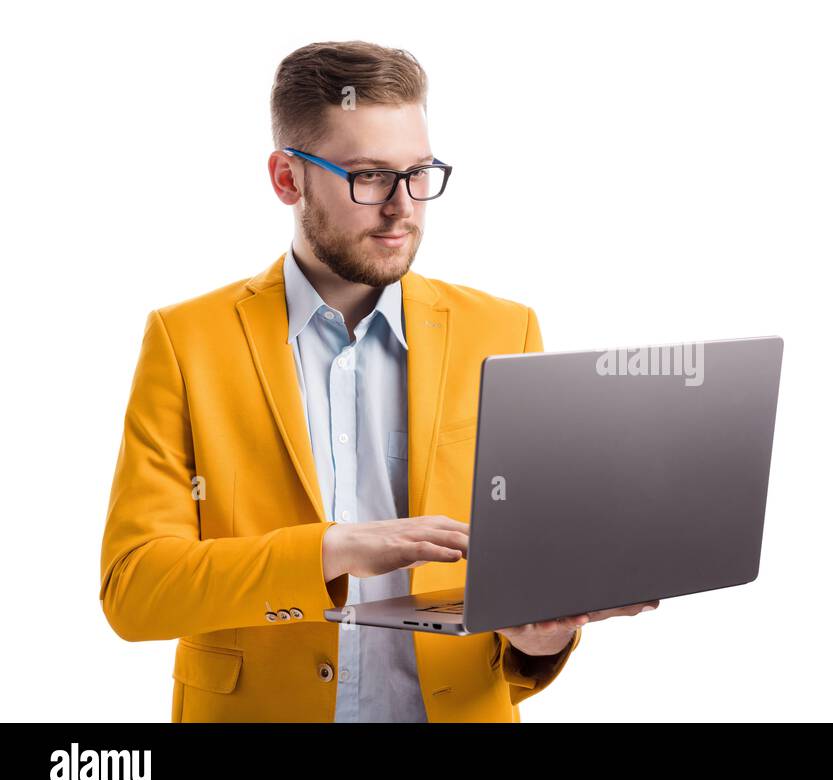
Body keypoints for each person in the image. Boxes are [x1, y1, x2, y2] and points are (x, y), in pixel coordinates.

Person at [99, 40, 656, 722]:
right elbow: (136, 589)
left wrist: (538, 634)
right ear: (286, 178)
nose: (403, 207)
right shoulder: (187, 342)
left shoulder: (504, 332)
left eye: (419, 172)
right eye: (368, 176)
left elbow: (524, 577)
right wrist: (331, 551)